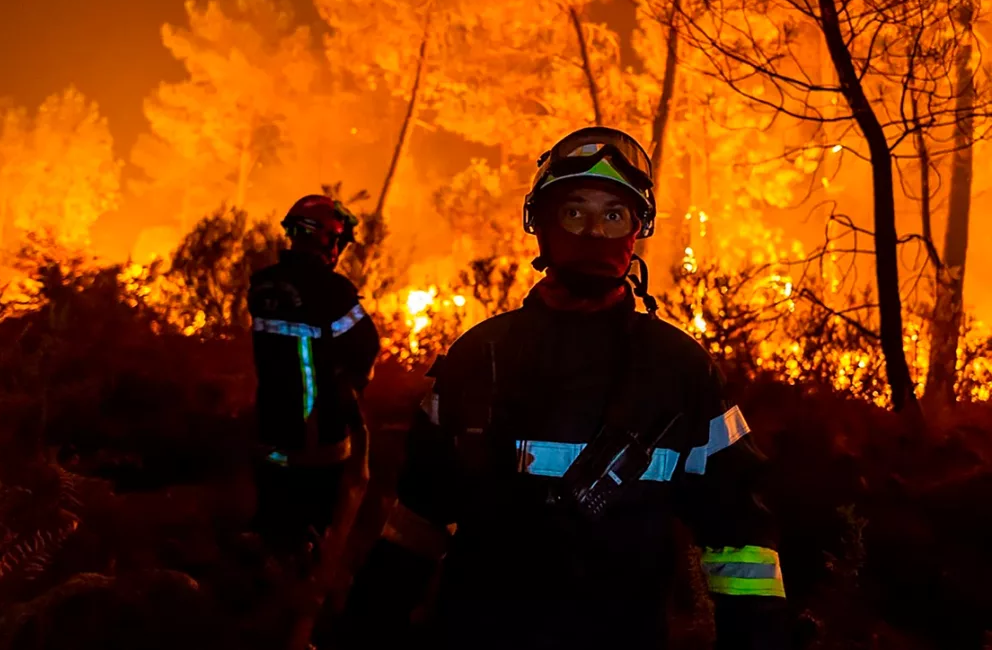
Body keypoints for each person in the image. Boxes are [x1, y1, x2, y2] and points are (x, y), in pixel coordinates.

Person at [335, 127, 790, 649]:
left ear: (637, 230)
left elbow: (739, 540)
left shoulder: (682, 370)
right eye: (575, 212)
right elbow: (416, 523)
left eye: (613, 215)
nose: (594, 232)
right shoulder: (479, 356)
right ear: (542, 226)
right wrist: (365, 628)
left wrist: (757, 640)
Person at [247, 194, 380, 649]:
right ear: (329, 239)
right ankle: (301, 630)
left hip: (268, 435)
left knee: (272, 534)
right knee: (317, 542)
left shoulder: (262, 285)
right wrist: (348, 386)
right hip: (318, 440)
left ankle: (262, 617)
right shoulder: (334, 292)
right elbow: (365, 348)